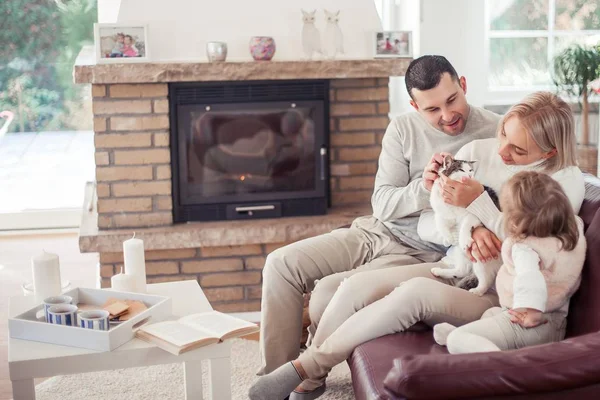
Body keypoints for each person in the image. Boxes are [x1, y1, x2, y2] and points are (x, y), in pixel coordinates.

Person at [249, 91, 584, 400]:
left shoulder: (564, 183)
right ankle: (307, 377)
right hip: (461, 265)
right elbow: (444, 223)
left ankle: (306, 368)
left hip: (506, 294)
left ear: (549, 152)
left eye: (518, 150)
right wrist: (469, 228)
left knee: (414, 293)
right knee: (352, 287)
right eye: (503, 136)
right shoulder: (479, 152)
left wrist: (480, 205)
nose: (501, 151)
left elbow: (533, 249)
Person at [255, 55, 501, 388]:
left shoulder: (496, 133)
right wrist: (422, 187)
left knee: (327, 296)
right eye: (432, 109)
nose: (446, 116)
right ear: (415, 106)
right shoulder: (402, 128)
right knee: (280, 264)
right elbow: (382, 203)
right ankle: (274, 381)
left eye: (452, 100)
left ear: (464, 86)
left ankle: (306, 381)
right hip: (376, 230)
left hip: (422, 252)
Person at [434, 171, 586, 354]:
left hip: (532, 323)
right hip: (556, 321)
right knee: (490, 315)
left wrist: (531, 312)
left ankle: (498, 362)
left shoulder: (525, 248)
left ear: (514, 222)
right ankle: (468, 336)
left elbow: (531, 278)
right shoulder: (571, 230)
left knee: (456, 341)